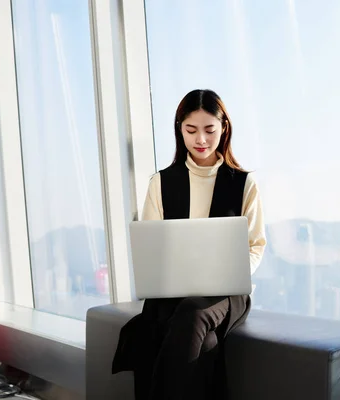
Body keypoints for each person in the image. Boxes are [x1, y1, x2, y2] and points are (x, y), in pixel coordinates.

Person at [112, 89, 266, 400]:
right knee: (202, 341)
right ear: (179, 128)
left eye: (210, 130)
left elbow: (256, 245)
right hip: (173, 293)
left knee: (194, 312)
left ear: (224, 128)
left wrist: (233, 272)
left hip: (225, 294)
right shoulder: (161, 183)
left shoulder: (243, 183)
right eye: (191, 130)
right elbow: (151, 248)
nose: (201, 140)